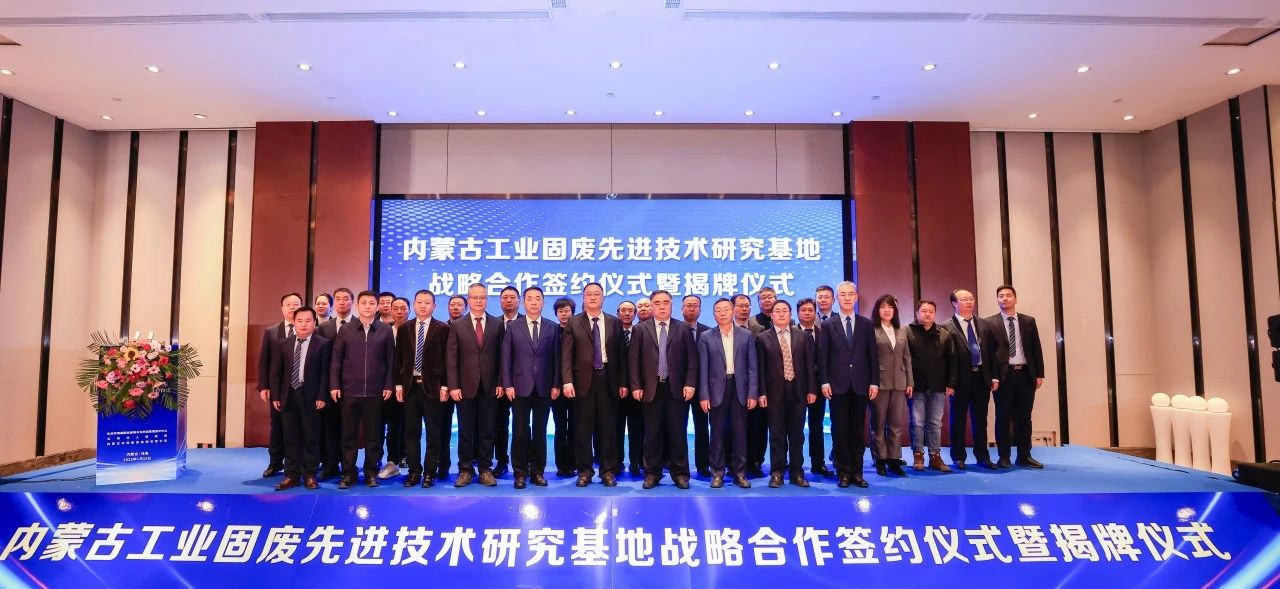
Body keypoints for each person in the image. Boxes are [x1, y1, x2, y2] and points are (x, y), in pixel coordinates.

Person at [560, 282, 627, 487]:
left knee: (608, 429)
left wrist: (623, 382)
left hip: (608, 380)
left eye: (597, 294)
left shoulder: (614, 322)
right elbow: (566, 355)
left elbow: (621, 356)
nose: (593, 297)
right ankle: (585, 471)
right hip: (582, 382)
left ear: (603, 297)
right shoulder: (574, 322)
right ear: (583, 298)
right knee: (582, 429)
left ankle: (608, 471)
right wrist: (567, 381)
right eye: (589, 294)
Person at [629, 290, 697, 489]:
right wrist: (635, 385)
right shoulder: (640, 329)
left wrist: (690, 383)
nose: (661, 306)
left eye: (665, 302)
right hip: (650, 389)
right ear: (651, 305)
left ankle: (680, 474)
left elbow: (692, 360)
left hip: (677, 389)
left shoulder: (683, 328)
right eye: (657, 303)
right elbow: (634, 360)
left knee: (678, 434)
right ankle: (652, 473)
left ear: (671, 305)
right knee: (652, 434)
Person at [329, 290, 396, 489]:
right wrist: (334, 385)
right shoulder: (346, 329)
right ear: (358, 306)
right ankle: (349, 473)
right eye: (364, 303)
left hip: (376, 391)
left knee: (373, 436)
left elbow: (391, 361)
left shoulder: (385, 330)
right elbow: (336, 360)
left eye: (371, 303)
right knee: (348, 435)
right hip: (349, 391)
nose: (368, 306)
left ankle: (371, 473)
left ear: (377, 307)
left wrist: (388, 384)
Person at [816, 281, 878, 489]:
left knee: (858, 430)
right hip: (837, 385)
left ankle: (857, 473)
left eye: (850, 294)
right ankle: (843, 472)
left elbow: (872, 356)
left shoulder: (866, 324)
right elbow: (823, 356)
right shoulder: (828, 325)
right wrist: (824, 381)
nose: (847, 297)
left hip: (861, 384)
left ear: (856, 297)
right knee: (840, 429)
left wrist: (874, 382)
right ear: (837, 299)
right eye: (843, 294)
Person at [446, 283, 506, 487]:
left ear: (487, 299)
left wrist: (501, 382)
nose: (478, 301)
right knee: (465, 431)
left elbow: (502, 356)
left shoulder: (497, 324)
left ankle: (485, 469)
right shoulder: (457, 325)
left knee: (488, 431)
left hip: (490, 386)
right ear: (468, 300)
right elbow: (451, 358)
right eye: (474, 297)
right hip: (464, 387)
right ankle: (465, 470)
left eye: (482, 297)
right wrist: (453, 386)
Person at [501, 287, 562, 489]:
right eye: (530, 299)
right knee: (519, 430)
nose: (534, 302)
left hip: (545, 387)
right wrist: (507, 384)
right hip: (519, 387)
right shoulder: (513, 327)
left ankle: (537, 472)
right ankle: (519, 472)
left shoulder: (552, 327)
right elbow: (506, 358)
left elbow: (557, 359)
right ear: (523, 303)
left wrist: (556, 384)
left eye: (538, 299)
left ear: (543, 302)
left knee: (540, 431)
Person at [699, 298, 758, 489]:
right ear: (714, 314)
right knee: (716, 434)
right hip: (716, 391)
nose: (723, 313)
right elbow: (703, 369)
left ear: (733, 312)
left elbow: (752, 367)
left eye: (726, 309)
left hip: (740, 389)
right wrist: (704, 395)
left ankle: (740, 474)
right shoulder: (706, 336)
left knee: (740, 433)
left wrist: (752, 393)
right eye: (718, 310)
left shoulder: (746, 335)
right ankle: (717, 473)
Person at [984, 285, 1046, 469]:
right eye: (1001, 296)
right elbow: (988, 354)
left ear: (1015, 299)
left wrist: (1039, 374)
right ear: (997, 300)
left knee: (1024, 417)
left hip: (1026, 374)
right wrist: (993, 376)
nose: (1005, 298)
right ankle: (1004, 457)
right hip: (1003, 376)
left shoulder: (1028, 321)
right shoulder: (989, 323)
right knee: (1003, 416)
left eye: (1008, 295)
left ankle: (1024, 456)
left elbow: (1036, 348)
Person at [756, 300, 816, 488]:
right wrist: (761, 392)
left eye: (785, 311)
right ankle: (777, 473)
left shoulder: (803, 336)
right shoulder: (762, 338)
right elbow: (760, 369)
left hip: (798, 392)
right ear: (771, 315)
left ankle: (797, 473)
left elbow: (810, 365)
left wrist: (812, 389)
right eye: (777, 311)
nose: (781, 314)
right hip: (774, 393)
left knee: (797, 436)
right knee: (776, 436)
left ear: (790, 314)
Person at [270, 306, 330, 491]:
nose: (303, 324)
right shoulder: (283, 343)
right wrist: (276, 395)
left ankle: (310, 474)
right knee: (290, 437)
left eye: (308, 321)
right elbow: (276, 372)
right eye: (300, 321)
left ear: (314, 322)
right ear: (294, 322)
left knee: (311, 436)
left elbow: (325, 373)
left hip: (312, 396)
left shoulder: (323, 344)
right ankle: (291, 475)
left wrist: (322, 395)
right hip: (288, 395)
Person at [396, 290, 450, 488]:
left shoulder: (443, 328)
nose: (423, 306)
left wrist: (445, 385)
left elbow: (447, 359)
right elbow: (398, 358)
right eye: (419, 302)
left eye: (427, 303)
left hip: (433, 387)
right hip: (410, 387)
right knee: (411, 432)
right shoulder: (405, 328)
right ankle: (414, 472)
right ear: (414, 305)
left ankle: (430, 473)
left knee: (434, 433)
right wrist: (398, 385)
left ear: (434, 306)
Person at [944, 289, 996, 471]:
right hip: (959, 380)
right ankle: (958, 457)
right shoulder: (947, 327)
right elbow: (946, 358)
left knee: (980, 419)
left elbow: (991, 353)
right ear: (954, 303)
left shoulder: (984, 324)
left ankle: (982, 456)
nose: (969, 302)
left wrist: (994, 376)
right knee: (958, 419)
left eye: (971, 298)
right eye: (964, 299)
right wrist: (949, 382)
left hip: (981, 377)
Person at [907, 300, 958, 473]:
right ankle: (918, 455)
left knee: (935, 423)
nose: (927, 314)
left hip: (938, 387)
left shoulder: (943, 334)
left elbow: (952, 361)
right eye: (924, 311)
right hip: (915, 387)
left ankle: (935, 456)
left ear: (935, 314)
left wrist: (951, 383)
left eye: (931, 311)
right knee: (917, 423)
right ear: (917, 313)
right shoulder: (908, 332)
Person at [257, 292, 301, 478]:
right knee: (277, 426)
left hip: (301, 387)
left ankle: (298, 463)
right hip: (278, 388)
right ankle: (275, 463)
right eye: (288, 304)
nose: (292, 307)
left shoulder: (309, 329)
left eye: (296, 303)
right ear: (282, 308)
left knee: (299, 427)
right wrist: (264, 386)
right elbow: (264, 361)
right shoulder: (271, 331)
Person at [315, 287, 356, 479]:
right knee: (330, 427)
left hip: (353, 385)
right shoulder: (324, 328)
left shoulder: (359, 324)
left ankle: (349, 466)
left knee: (350, 429)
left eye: (346, 298)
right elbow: (321, 359)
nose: (342, 302)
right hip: (330, 384)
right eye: (338, 299)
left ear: (352, 302)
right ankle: (330, 464)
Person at [870, 294, 912, 477]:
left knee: (896, 423)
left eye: (890, 307)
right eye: (883, 307)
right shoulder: (871, 330)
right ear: (877, 310)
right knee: (878, 424)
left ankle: (894, 460)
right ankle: (880, 459)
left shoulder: (901, 330)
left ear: (895, 310)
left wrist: (910, 381)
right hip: (879, 383)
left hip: (899, 383)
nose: (887, 310)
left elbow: (907, 358)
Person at [796, 298, 832, 478]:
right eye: (803, 310)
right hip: (796, 387)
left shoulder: (823, 332)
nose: (807, 313)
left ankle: (818, 463)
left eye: (810, 310)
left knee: (816, 425)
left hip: (818, 386)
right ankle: (795, 464)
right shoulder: (791, 332)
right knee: (795, 428)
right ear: (797, 313)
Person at [379, 296, 411, 479]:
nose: (399, 312)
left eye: (403, 308)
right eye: (396, 308)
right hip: (388, 386)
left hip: (411, 386)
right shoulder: (383, 331)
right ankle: (392, 461)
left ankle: (409, 458)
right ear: (390, 311)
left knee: (410, 425)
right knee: (392, 425)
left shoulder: (415, 330)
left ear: (409, 311)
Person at [681, 294, 714, 477]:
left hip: (702, 387)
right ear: (681, 308)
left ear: (700, 309)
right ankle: (679, 465)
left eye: (695, 305)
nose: (691, 308)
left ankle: (703, 464)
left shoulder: (708, 332)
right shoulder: (674, 329)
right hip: (679, 387)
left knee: (702, 427)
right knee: (678, 428)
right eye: (688, 305)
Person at [494, 286, 522, 478]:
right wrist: (501, 382)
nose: (509, 300)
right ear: (500, 301)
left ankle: (524, 461)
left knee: (522, 425)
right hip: (497, 384)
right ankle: (502, 461)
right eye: (505, 297)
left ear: (519, 300)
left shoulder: (527, 322)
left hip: (522, 382)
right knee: (499, 424)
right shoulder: (493, 323)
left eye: (512, 297)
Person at [615, 300, 643, 476]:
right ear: (618, 313)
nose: (627, 313)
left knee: (637, 429)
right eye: (623, 310)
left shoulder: (641, 331)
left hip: (637, 389)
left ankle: (636, 462)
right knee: (615, 428)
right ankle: (616, 462)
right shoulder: (611, 331)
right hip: (615, 390)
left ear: (635, 314)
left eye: (630, 311)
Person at [551, 296, 577, 476]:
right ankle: (562, 465)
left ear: (572, 312)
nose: (564, 314)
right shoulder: (551, 331)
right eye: (560, 311)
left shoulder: (579, 330)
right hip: (556, 387)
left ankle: (574, 463)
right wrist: (556, 384)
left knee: (575, 426)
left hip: (577, 387)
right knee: (560, 427)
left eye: (567, 311)